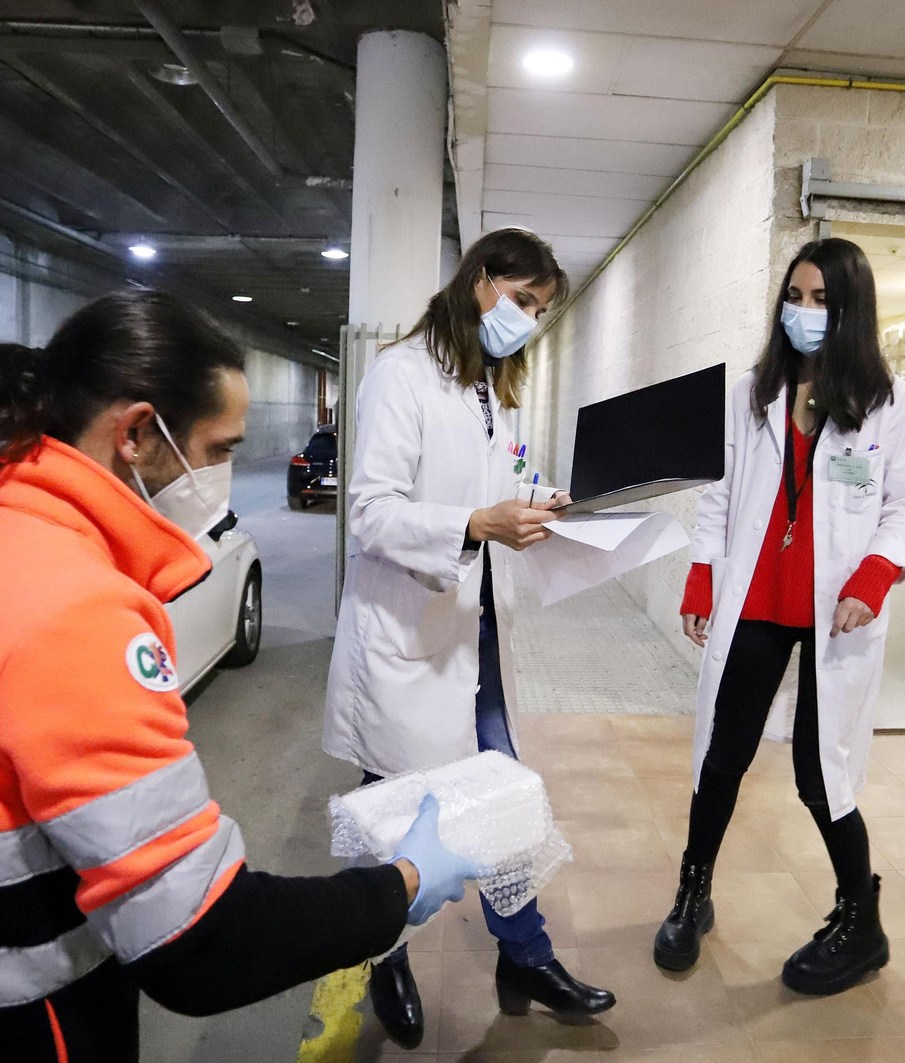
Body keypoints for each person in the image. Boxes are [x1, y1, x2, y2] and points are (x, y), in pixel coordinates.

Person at [0, 289, 481, 1062]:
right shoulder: (72, 610)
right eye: (218, 449)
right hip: (1, 1028)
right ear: (138, 433)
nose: (220, 474)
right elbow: (202, 941)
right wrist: (401, 884)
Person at [324, 228, 616, 1048]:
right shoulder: (402, 374)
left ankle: (524, 956)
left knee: (502, 791)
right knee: (394, 807)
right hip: (406, 628)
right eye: (522, 299)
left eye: (540, 310)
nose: (527, 319)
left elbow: (503, 478)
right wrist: (475, 523)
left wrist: (541, 502)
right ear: (480, 280)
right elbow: (370, 511)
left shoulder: (491, 387)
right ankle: (385, 956)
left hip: (471, 628)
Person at [651, 238, 905, 994]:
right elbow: (719, 493)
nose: (804, 313)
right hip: (758, 598)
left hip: (837, 611)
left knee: (820, 769)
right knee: (724, 752)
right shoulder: (754, 392)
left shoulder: (885, 402)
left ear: (851, 313)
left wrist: (874, 576)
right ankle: (693, 893)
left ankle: (861, 922)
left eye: (822, 302)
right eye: (795, 297)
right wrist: (702, 576)